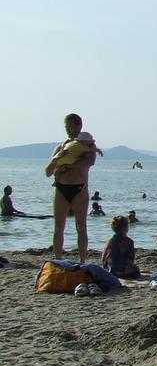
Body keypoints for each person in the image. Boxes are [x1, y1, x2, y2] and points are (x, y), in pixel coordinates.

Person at [49, 113, 96, 263]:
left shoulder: (88, 146)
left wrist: (69, 165)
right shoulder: (61, 147)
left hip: (79, 189)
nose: (69, 130)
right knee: (58, 228)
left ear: (79, 126)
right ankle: (58, 260)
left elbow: (88, 162)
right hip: (61, 189)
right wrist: (59, 167)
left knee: (81, 227)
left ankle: (82, 261)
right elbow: (51, 169)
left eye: (71, 126)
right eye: (67, 127)